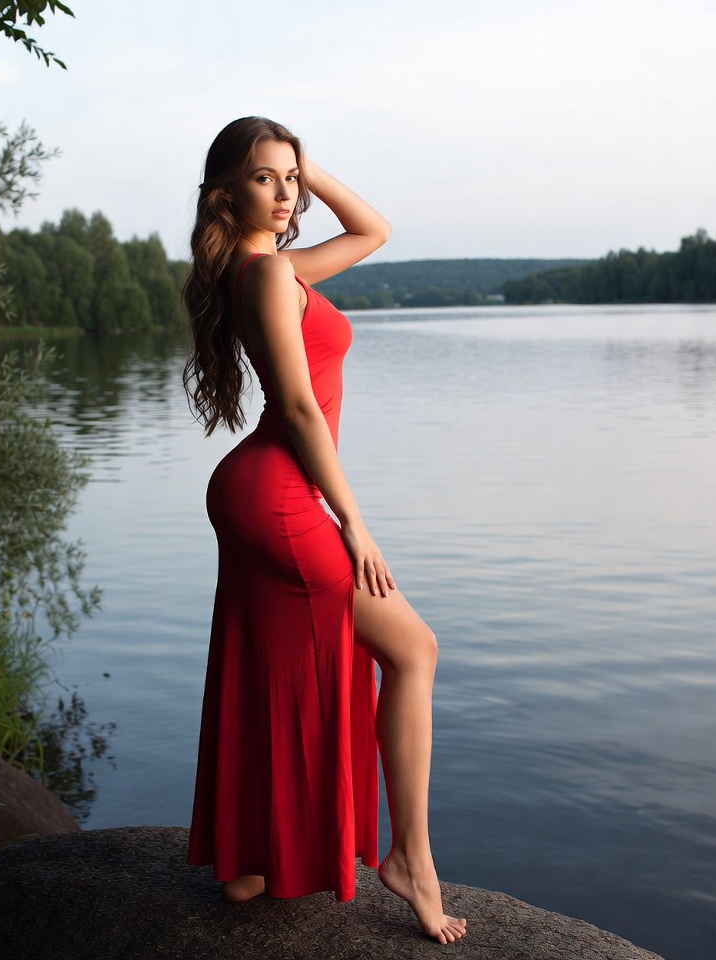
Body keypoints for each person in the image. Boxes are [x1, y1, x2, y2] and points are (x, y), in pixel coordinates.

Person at [183, 116, 467, 945]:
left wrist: (308, 162)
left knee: (276, 666)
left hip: (263, 488)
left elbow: (374, 230)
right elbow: (301, 407)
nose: (285, 193)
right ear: (225, 191)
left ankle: (251, 860)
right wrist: (355, 522)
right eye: (265, 178)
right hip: (279, 495)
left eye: (290, 180)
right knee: (413, 650)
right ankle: (411, 859)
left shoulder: (268, 267)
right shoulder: (267, 274)